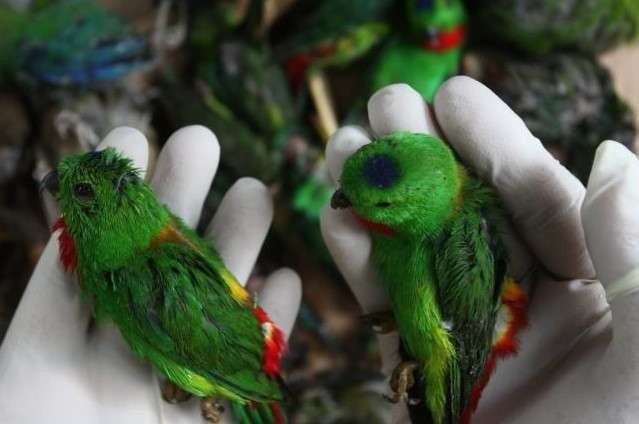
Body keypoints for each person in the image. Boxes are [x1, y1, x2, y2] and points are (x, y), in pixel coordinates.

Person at [1, 76, 638, 423]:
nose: (343, 206)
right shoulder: (131, 265)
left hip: (443, 353)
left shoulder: (462, 246)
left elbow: (470, 332)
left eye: (375, 204)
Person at [321, 77, 639, 423]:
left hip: (458, 359)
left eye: (381, 205)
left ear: (412, 206)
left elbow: (464, 348)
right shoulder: (416, 219)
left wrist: (444, 402)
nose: (343, 200)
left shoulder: (454, 248)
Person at [0, 125, 302, 424]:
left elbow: (213, 350)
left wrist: (216, 387)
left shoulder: (136, 279)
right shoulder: (149, 231)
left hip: (238, 364)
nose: (55, 181)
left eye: (81, 191)